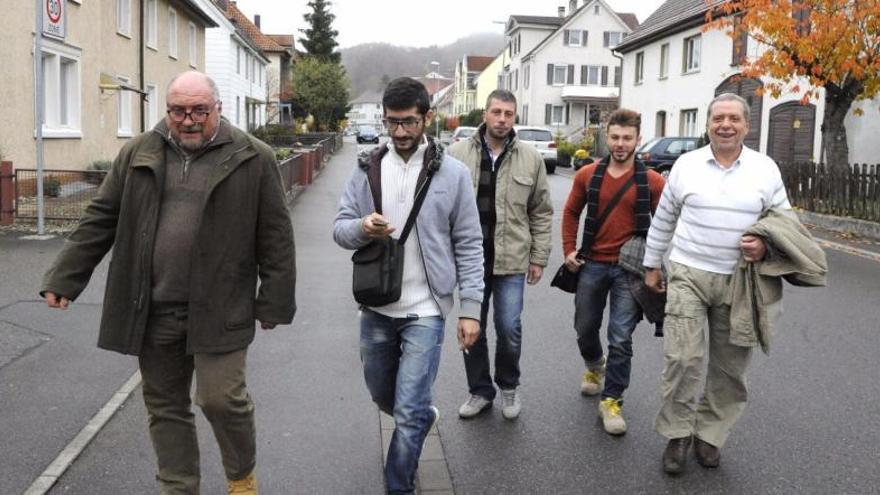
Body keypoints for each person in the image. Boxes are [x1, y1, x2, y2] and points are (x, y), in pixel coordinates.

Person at [41, 71, 296, 494]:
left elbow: (276, 236)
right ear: (168, 111)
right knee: (165, 408)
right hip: (152, 306)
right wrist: (65, 277)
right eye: (178, 110)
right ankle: (179, 488)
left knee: (221, 400)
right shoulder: (140, 150)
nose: (188, 120)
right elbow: (101, 217)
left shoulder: (254, 156)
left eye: (199, 110)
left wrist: (274, 301)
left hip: (222, 307)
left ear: (218, 108)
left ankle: (241, 476)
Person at [333, 77, 483, 494]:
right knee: (385, 396)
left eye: (410, 122)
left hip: (426, 309)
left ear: (427, 118)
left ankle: (399, 485)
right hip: (377, 306)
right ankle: (416, 417)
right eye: (392, 122)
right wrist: (363, 227)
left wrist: (470, 308)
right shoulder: (366, 168)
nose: (400, 132)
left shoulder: (452, 174)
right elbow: (340, 229)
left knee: (410, 406)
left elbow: (470, 242)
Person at [643, 93, 794, 475]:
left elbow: (785, 223)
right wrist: (650, 266)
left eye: (733, 119)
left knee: (730, 367)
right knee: (683, 359)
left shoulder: (765, 169)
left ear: (746, 125)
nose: (725, 125)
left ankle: (709, 435)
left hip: (741, 281)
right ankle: (678, 434)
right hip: (688, 274)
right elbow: (664, 217)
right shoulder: (686, 165)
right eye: (718, 118)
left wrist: (765, 243)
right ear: (707, 124)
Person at [447, 89, 553, 420]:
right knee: (471, 327)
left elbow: (542, 211)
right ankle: (480, 391)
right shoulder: (456, 154)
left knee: (509, 327)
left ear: (515, 117)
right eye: (497, 112)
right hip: (471, 261)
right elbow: (442, 209)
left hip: (512, 260)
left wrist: (539, 257)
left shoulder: (531, 158)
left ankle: (508, 387)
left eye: (509, 113)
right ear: (485, 114)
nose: (502, 119)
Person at [560, 109, 665, 434]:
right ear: (607, 135)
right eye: (615, 137)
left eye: (627, 138)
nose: (620, 144)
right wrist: (568, 250)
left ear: (638, 139)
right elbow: (571, 212)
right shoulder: (588, 174)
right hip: (591, 264)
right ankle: (594, 365)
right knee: (584, 328)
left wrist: (655, 265)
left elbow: (664, 225)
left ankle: (612, 401)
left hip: (628, 270)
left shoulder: (652, 181)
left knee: (620, 337)